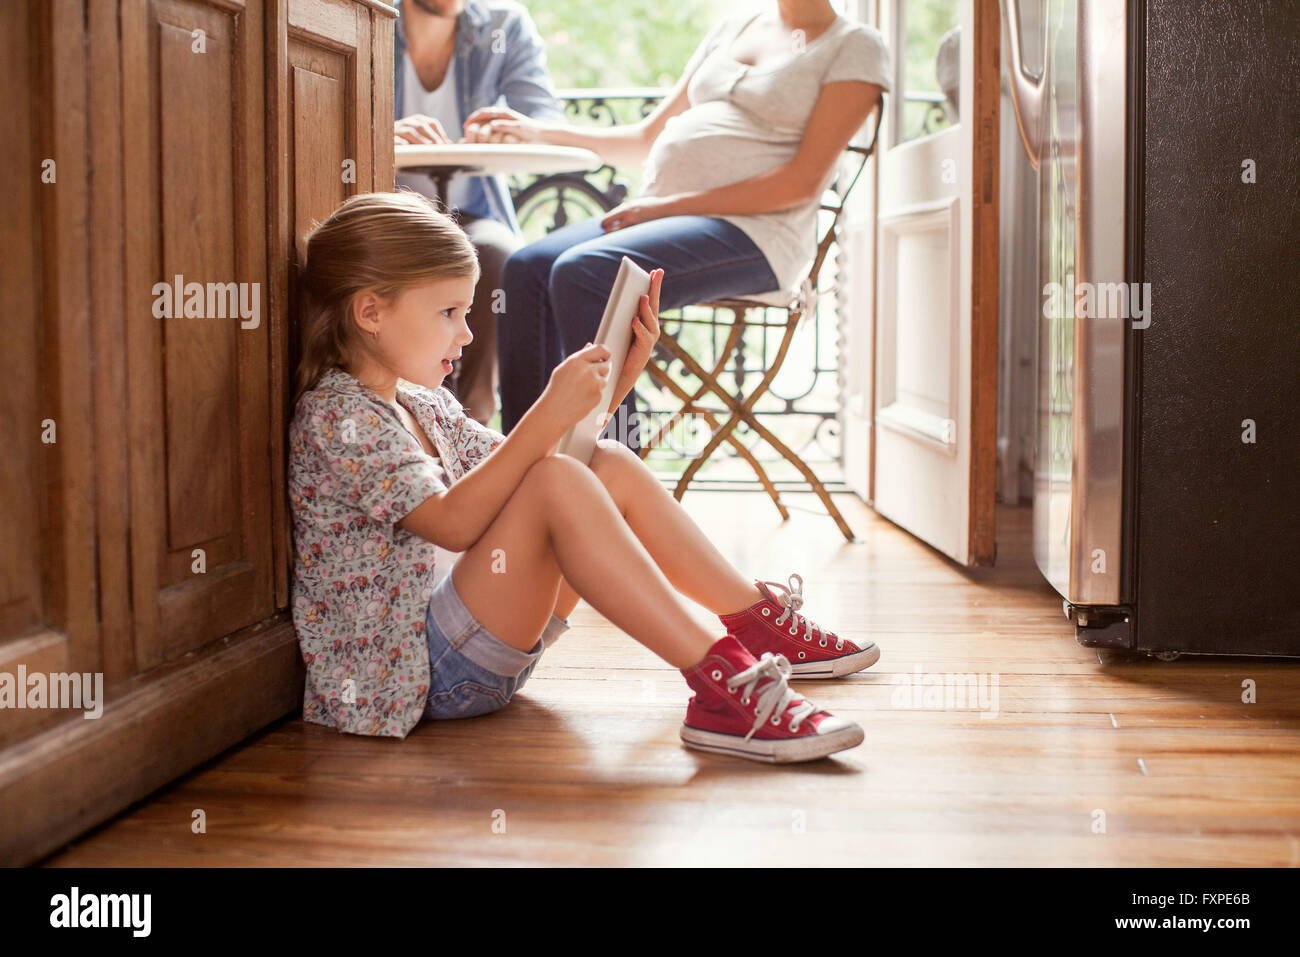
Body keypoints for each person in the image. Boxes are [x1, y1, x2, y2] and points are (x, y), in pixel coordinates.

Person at [287, 191, 880, 762]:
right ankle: (724, 683)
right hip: (417, 674)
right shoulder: (338, 416)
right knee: (556, 483)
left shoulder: (421, 402)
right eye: (448, 313)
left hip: (476, 646)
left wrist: (616, 379)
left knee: (605, 464)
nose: (467, 335)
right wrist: (548, 408)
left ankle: (753, 626)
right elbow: (454, 523)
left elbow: (546, 458)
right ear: (370, 311)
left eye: (466, 313)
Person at [466, 0, 891, 452]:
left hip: (759, 236)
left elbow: (803, 182)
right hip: (667, 215)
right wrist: (539, 132)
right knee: (526, 268)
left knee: (586, 272)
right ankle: (525, 466)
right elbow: (645, 139)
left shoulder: (855, 46)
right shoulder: (737, 25)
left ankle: (610, 478)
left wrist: (665, 208)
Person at [393, 0, 566, 425]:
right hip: (388, 211)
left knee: (500, 257)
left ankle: (472, 431)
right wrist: (378, 131)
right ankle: (407, 421)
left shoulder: (504, 25)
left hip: (470, 210)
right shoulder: (367, 16)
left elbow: (544, 117)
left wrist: (516, 128)